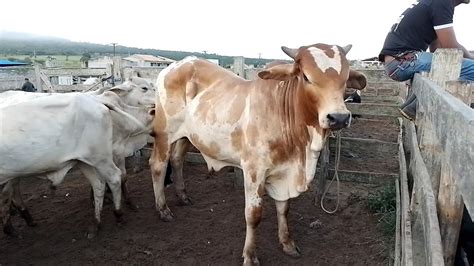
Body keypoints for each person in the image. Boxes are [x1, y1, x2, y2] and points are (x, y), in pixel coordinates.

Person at [378, 0, 474, 120]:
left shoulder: (433, 3)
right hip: (403, 61)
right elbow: (451, 46)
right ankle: (420, 105)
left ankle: (414, 104)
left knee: (447, 66)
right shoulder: (442, 3)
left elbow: (436, 48)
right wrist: (470, 58)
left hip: (397, 62)